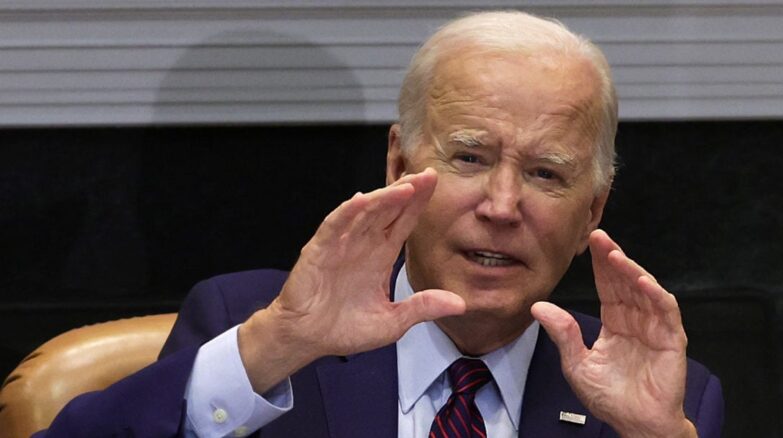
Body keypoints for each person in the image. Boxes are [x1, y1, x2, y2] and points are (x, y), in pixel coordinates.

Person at [40, 10, 723, 438]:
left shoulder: (666, 398)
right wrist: (272, 349)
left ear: (593, 213)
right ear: (399, 166)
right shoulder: (252, 324)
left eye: (547, 174)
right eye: (470, 157)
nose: (503, 205)